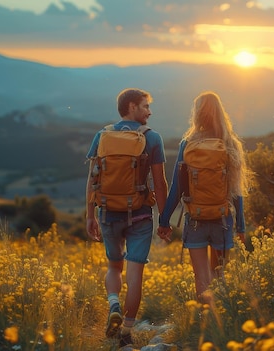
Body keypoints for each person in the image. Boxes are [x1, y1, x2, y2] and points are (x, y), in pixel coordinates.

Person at [85, 88, 168, 346]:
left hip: (108, 212)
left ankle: (113, 305)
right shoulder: (152, 138)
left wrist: (90, 215)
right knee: (135, 275)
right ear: (131, 107)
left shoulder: (102, 135)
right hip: (141, 215)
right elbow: (160, 182)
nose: (149, 111)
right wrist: (164, 220)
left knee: (113, 266)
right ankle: (125, 334)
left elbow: (92, 179)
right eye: (145, 106)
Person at [157, 91, 249, 303]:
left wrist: (164, 221)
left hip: (195, 219)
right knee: (218, 276)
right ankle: (218, 327)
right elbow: (236, 191)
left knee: (202, 279)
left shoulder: (187, 144)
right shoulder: (230, 144)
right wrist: (241, 227)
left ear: (196, 114)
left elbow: (177, 188)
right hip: (222, 218)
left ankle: (204, 324)